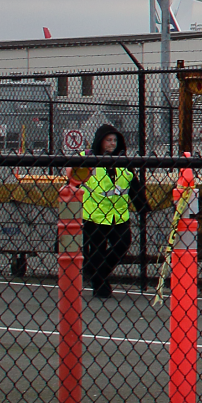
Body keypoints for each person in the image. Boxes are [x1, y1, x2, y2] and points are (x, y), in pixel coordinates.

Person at [67, 123, 148, 298]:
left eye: (115, 140)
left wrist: (142, 205)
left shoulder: (124, 162)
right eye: (108, 140)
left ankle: (98, 273)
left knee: (123, 243)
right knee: (96, 250)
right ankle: (100, 284)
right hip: (93, 216)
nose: (112, 143)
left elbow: (134, 186)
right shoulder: (87, 160)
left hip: (117, 216)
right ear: (100, 142)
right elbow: (72, 182)